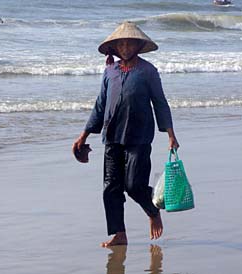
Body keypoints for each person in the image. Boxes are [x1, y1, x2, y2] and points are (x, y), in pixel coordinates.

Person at [72, 21, 179, 247]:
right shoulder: (110, 71)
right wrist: (84, 135)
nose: (125, 48)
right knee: (111, 188)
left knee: (134, 186)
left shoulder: (148, 71)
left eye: (130, 44)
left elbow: (160, 103)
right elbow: (100, 105)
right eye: (121, 44)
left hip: (139, 138)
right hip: (112, 136)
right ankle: (119, 234)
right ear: (115, 48)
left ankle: (152, 210)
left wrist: (170, 134)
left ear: (138, 46)